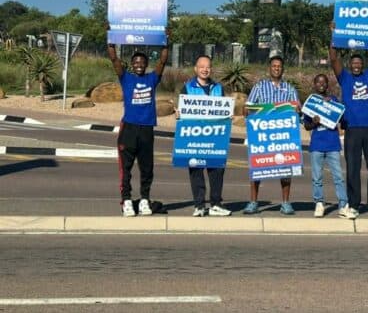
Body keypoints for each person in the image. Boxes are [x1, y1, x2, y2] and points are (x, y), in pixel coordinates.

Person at [329, 23, 368, 218]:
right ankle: (353, 205)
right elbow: (333, 58)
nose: (356, 65)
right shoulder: (344, 78)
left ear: (363, 65)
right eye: (353, 63)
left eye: (359, 63)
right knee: (353, 168)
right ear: (350, 66)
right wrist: (333, 33)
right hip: (352, 129)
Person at [106, 32, 169, 217]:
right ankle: (126, 201)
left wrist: (166, 42)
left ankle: (144, 200)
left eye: (142, 62)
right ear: (132, 65)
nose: (139, 65)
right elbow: (114, 58)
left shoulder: (152, 79)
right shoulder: (126, 78)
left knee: (147, 168)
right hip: (129, 129)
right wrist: (109, 38)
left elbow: (163, 62)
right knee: (126, 168)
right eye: (136, 62)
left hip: (147, 129)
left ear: (146, 64)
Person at [243, 55, 299, 215]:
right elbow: (248, 107)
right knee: (257, 168)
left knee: (286, 169)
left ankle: (286, 203)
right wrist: (246, 108)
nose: (276, 68)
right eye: (274, 66)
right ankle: (253, 202)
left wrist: (296, 109)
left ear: (283, 69)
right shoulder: (259, 87)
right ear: (269, 68)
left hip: (282, 137)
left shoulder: (289, 89)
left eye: (279, 66)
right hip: (262, 136)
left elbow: (296, 109)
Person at [180, 55, 231, 217]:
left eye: (208, 66)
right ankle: (199, 205)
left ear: (211, 69)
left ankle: (216, 204)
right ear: (196, 69)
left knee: (217, 170)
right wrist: (179, 114)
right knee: (196, 169)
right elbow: (183, 111)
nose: (205, 69)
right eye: (201, 66)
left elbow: (223, 109)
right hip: (195, 136)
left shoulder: (218, 88)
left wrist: (227, 114)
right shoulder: (187, 88)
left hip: (215, 135)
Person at [303, 73, 355, 219]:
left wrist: (330, 105)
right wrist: (314, 122)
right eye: (318, 82)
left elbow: (340, 118)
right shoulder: (311, 102)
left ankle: (343, 205)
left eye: (324, 82)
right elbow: (307, 126)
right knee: (317, 177)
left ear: (327, 85)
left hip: (333, 144)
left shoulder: (333, 100)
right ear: (314, 84)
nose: (321, 85)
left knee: (338, 177)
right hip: (316, 145)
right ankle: (319, 203)